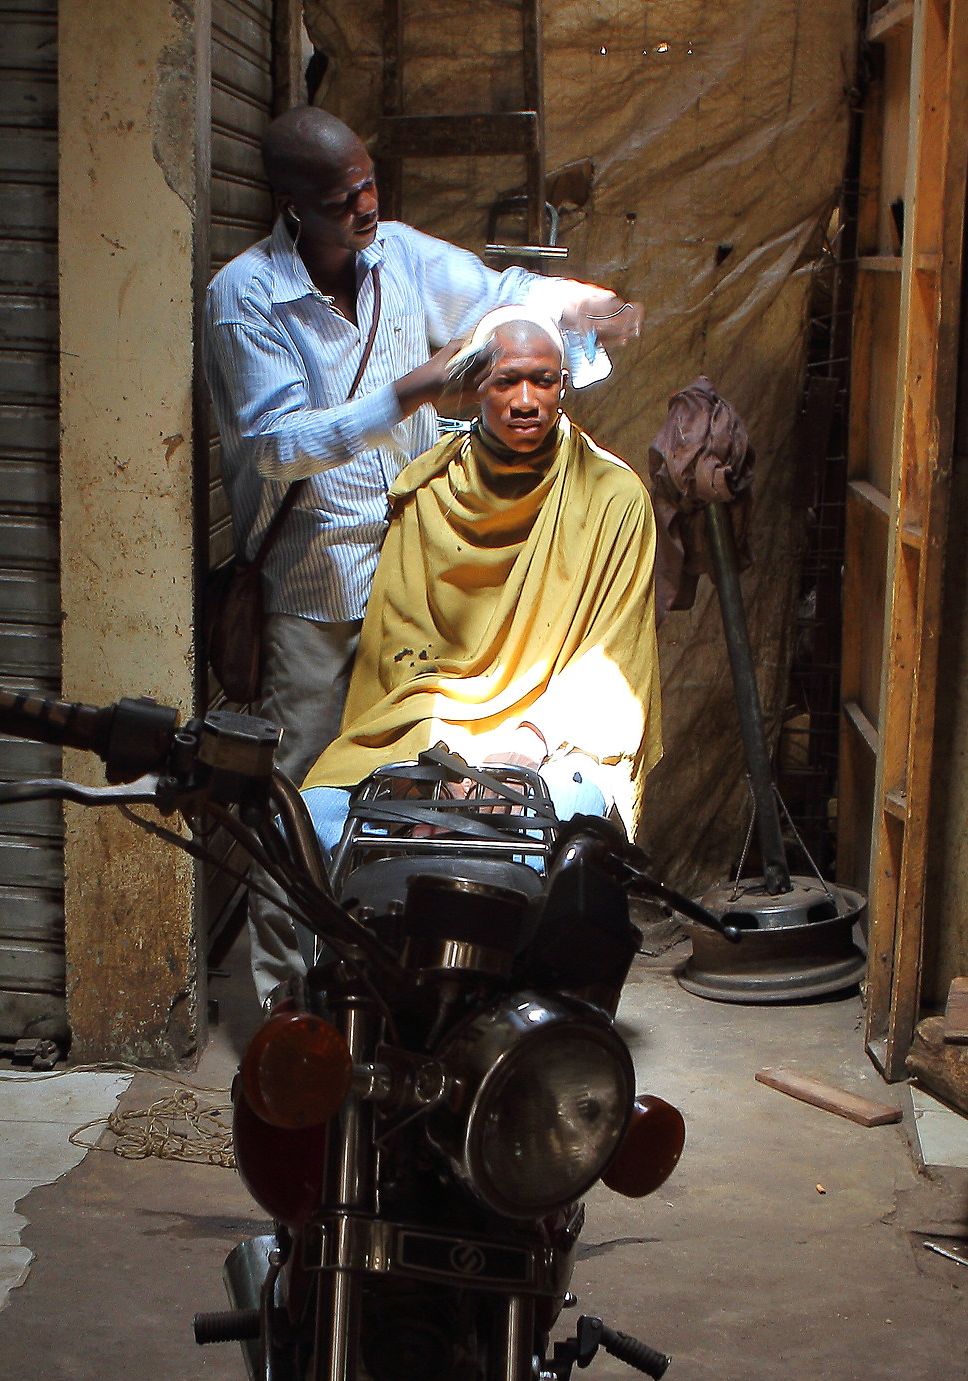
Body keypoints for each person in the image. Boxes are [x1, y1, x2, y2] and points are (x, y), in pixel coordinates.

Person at [203, 106, 640, 1007]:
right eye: (342, 200)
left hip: (413, 574)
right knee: (303, 803)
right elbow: (278, 445)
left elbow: (497, 290)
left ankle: (392, 994)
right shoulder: (245, 298)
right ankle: (292, 1003)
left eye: (369, 185)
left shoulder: (398, 257)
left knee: (408, 799)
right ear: (291, 204)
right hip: (319, 588)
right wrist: (414, 390)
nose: (366, 208)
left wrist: (575, 304)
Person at [299, 308, 661, 858]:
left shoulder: (615, 498)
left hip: (553, 735)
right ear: (476, 389)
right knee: (309, 828)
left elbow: (613, 661)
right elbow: (402, 652)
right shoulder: (428, 491)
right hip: (426, 728)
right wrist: (434, 765)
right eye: (506, 381)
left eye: (542, 381)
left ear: (563, 385)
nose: (525, 400)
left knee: (534, 846)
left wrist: (526, 744)